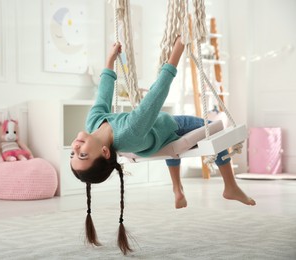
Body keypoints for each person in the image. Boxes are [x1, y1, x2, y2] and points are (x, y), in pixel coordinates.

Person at [70, 37, 256, 255]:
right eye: (82, 155)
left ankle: (178, 189)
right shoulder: (130, 130)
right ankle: (230, 186)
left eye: (73, 153)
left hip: (157, 139)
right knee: (215, 131)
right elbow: (156, 95)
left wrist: (110, 60)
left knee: (171, 145)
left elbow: (103, 94)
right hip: (172, 127)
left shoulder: (93, 123)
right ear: (104, 152)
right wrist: (177, 51)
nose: (76, 147)